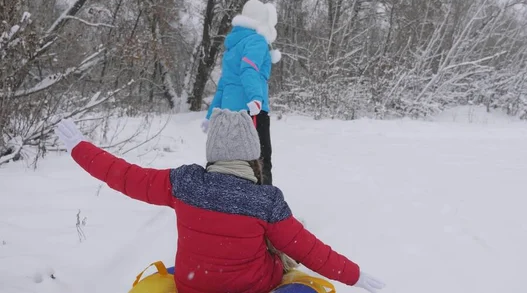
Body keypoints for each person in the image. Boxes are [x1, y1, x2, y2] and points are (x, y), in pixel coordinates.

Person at [54, 111, 385, 293]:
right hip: (252, 289)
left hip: (192, 288)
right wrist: (354, 275)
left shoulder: (183, 184)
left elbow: (124, 175)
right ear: (252, 156)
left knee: (179, 270)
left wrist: (80, 148)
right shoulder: (266, 201)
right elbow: (311, 250)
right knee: (304, 285)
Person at [201, 0, 280, 186]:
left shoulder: (233, 46)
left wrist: (211, 115)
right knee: (261, 160)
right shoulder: (257, 41)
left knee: (228, 161)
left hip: (228, 113)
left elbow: (224, 85)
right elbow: (249, 69)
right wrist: (256, 98)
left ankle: (221, 201)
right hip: (252, 111)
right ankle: (263, 206)